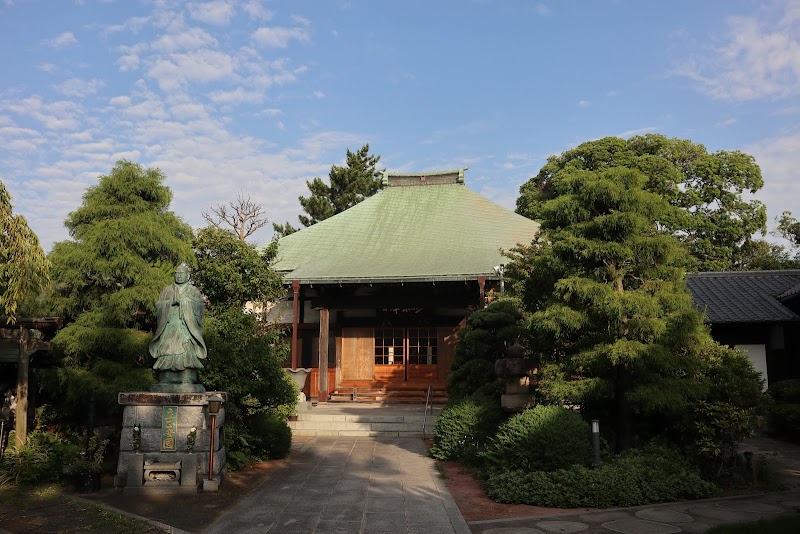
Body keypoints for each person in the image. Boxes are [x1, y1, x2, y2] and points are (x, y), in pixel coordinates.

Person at [149, 263, 206, 385]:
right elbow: (159, 306)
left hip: (185, 327)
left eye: (182, 274)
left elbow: (200, 308)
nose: (179, 276)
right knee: (167, 351)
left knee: (186, 351)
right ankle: (165, 377)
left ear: (188, 276)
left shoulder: (193, 291)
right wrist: (170, 303)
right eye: (177, 274)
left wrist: (185, 303)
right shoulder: (167, 291)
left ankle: (187, 377)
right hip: (169, 327)